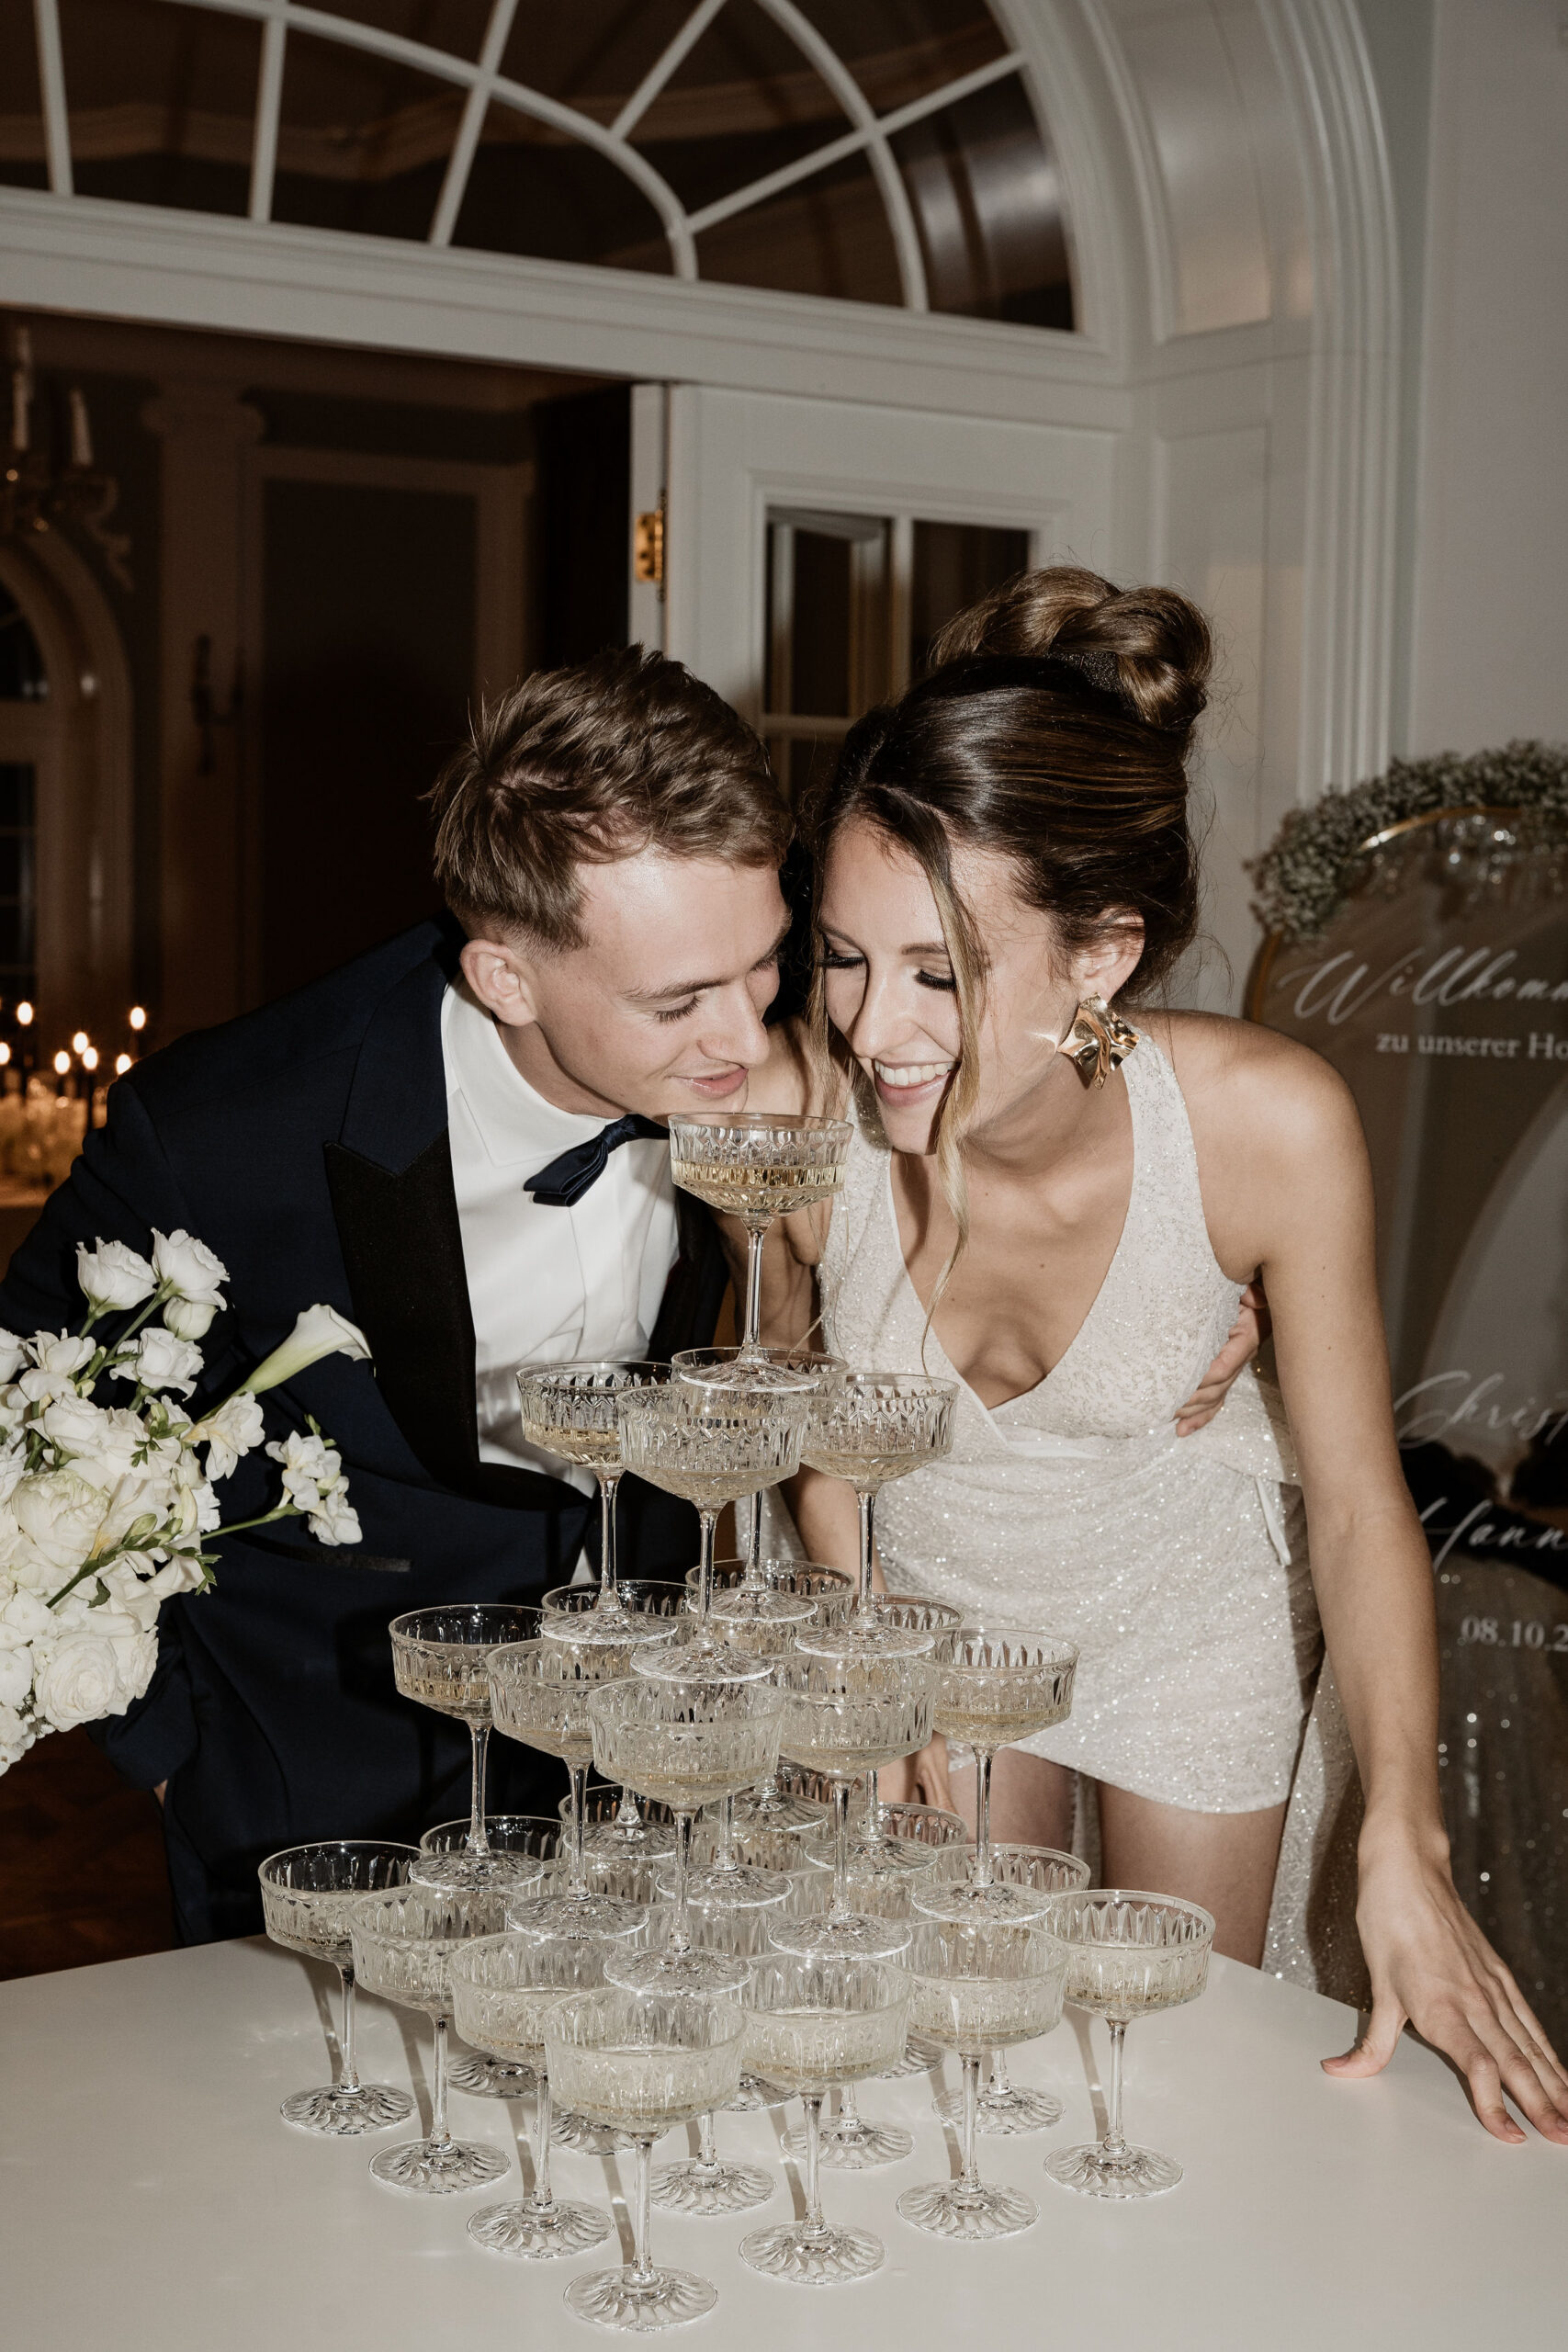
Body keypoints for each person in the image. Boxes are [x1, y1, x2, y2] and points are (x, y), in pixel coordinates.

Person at [751, 566, 1568, 2147]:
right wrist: (874, 1655)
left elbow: (1354, 1505)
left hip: (1178, 1619)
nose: (875, 1031)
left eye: (943, 974)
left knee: (1176, 2085)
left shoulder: (1267, 1123)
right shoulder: (798, 1114)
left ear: (1100, 957)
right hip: (935, 1622)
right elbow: (800, 1427)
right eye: (844, 957)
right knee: (957, 2083)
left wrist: (1409, 1834)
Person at [0, 647, 793, 1941]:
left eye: (764, 965)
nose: (750, 1038)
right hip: (322, 1784)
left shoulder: (766, 1039)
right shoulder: (223, 1130)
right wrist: (167, 1751)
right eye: (683, 1001)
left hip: (650, 1766)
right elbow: (20, 1426)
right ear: (506, 979)